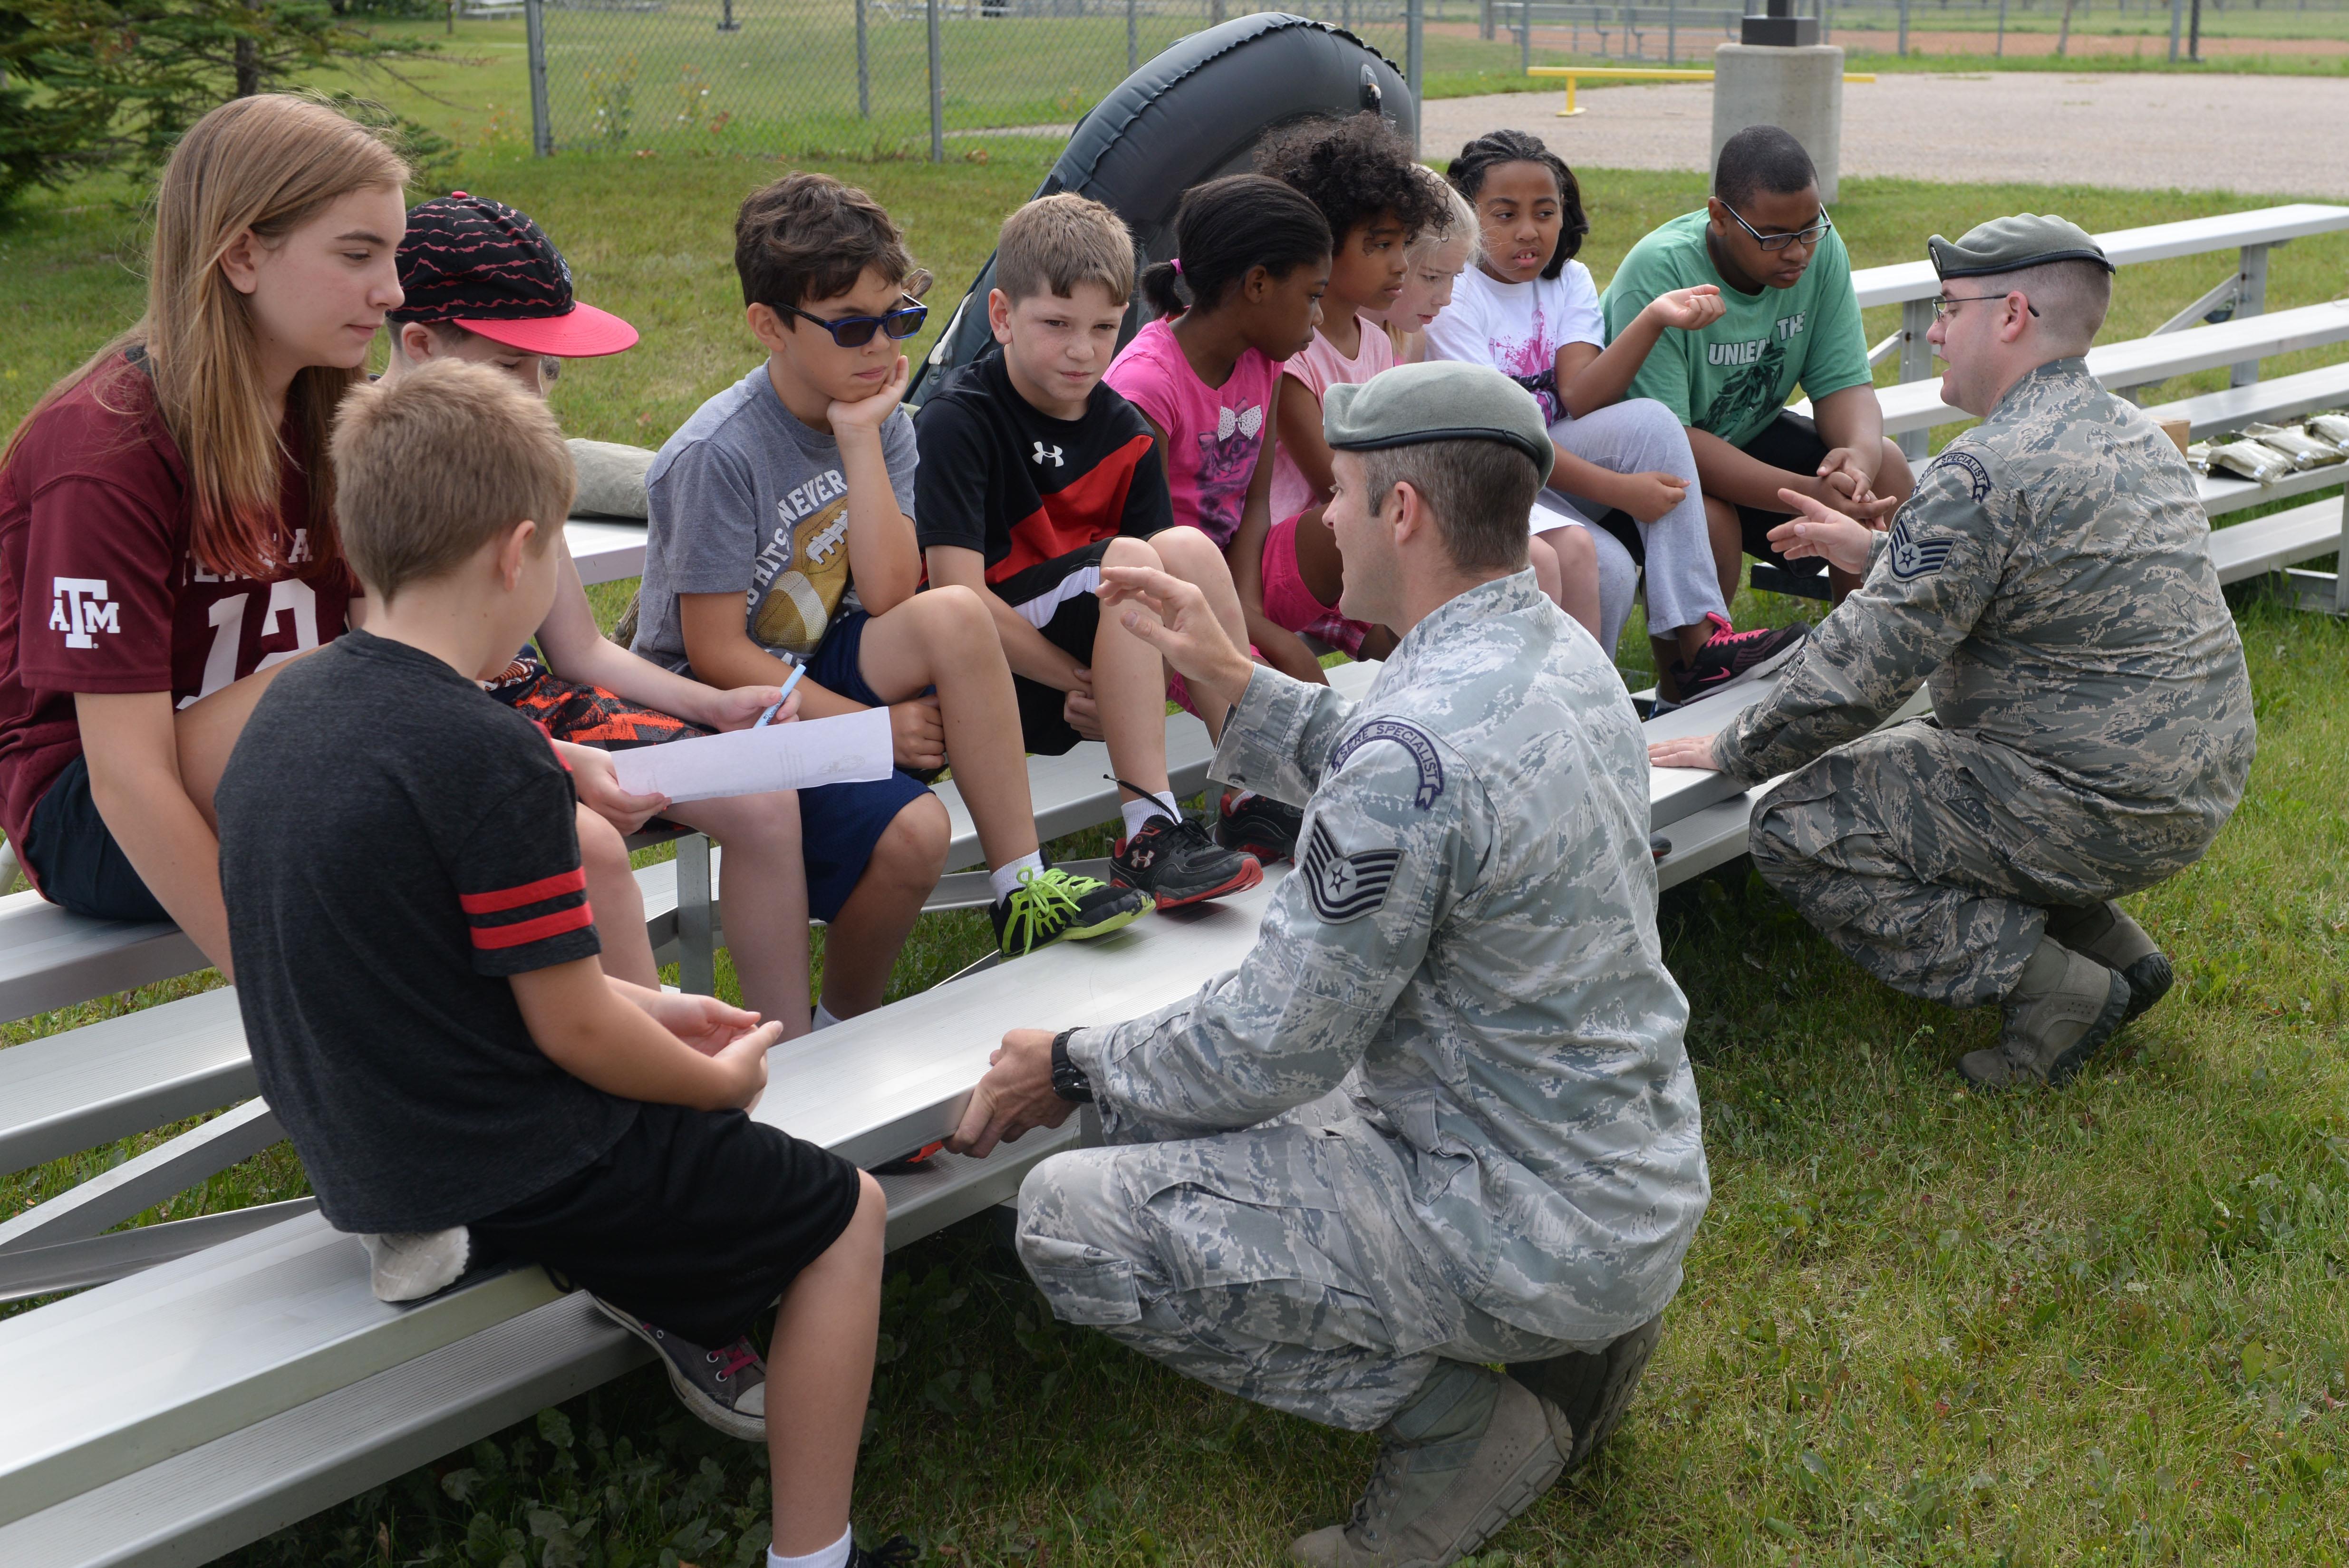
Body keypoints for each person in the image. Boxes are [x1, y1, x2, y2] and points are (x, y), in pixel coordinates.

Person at [951, 362, 1709, 1568]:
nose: (1320, 524)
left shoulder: (1415, 736)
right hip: (1617, 1175)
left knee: (1068, 1216)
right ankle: (1576, 1345)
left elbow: (1266, 1042)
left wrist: (1071, 1062)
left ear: (1399, 514)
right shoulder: (1554, 655)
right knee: (1190, 1102)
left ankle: (1466, 1428)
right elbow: (1391, 765)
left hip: (1508, 1207)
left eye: (1338, 494)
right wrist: (1219, 665)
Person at [219, 360, 905, 1568]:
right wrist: (721, 1082)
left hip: (362, 1133)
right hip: (493, 1152)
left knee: (658, 1089)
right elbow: (577, 1033)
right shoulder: (483, 752)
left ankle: (555, 1242)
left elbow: (484, 974)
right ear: (519, 553)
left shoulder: (288, 703)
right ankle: (816, 1556)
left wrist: (653, 1004)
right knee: (843, 1212)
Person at [1649, 216, 2256, 1091]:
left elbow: (1861, 668)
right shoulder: (2126, 430)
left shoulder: (1987, 468)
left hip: (2098, 800)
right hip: (2191, 781)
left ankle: (2057, 991)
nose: (1933, 331)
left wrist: (1735, 748)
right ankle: (2116, 952)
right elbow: (2024, 572)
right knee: (1969, 785)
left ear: (2011, 315)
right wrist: (1874, 553)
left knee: (1797, 825)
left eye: (1947, 308)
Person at [630, 172, 1147, 995]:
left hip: (816, 657)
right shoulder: (718, 455)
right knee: (916, 834)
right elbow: (714, 652)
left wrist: (862, 442)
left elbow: (893, 590)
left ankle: (1021, 887)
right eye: (852, 328)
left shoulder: (879, 417)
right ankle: (839, 1029)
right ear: (769, 326)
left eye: (898, 319)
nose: (880, 349)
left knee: (951, 614)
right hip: (713, 706)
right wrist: (870, 729)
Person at [383, 190, 812, 1028]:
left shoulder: (520, 449)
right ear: (422, 345)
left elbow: (578, 648)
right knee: (595, 849)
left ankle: (791, 1053)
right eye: (513, 370)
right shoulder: (361, 470)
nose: (538, 397)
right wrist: (558, 759)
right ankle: (665, 1090)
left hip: (533, 702)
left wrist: (710, 702)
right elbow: (391, 696)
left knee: (762, 795)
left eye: (548, 372)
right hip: (433, 734)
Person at [0, 95, 390, 966]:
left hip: (303, 757)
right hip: (101, 812)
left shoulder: (336, 406)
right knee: (368, 689)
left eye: (393, 254)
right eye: (358, 255)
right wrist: (273, 979)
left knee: (524, 824)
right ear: (243, 254)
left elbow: (403, 638)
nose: (391, 291)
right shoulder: (103, 446)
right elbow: (127, 778)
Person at [912, 193, 1262, 911]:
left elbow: (1167, 594)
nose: (1082, 349)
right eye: (1057, 324)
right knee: (1133, 560)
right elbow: (956, 594)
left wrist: (1117, 684)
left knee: (1187, 550)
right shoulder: (959, 419)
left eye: (1104, 328)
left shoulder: (1125, 429)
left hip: (1096, 669)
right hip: (1000, 678)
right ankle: (1148, 830)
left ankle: (1256, 789)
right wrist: (1084, 683)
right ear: (1003, 316)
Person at [1430, 128, 1808, 700]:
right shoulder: (1455, 295)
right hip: (1491, 475)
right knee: (1603, 565)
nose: (1528, 232)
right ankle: (1586, 709)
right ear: (1465, 218)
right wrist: (1621, 491)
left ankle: (1695, 644)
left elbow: (1580, 397)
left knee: (1651, 424)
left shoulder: (1569, 280)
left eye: (1545, 212)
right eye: (1503, 215)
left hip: (1549, 465)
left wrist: (1654, 318)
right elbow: (1506, 441)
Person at [1102, 173, 1332, 864]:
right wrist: (1267, 643)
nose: (1319, 318)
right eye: (1313, 295)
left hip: (1234, 578)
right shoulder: (1146, 386)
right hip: (1162, 600)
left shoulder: (1261, 359)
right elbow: (1146, 551)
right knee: (1276, 679)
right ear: (1258, 285)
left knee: (1373, 521)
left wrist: (1255, 615)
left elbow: (1254, 505)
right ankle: (1257, 804)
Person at [1600, 124, 1913, 606]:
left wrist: (1858, 462)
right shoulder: (1659, 272)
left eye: (1809, 229)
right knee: (1709, 518)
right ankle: (1696, 678)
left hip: (1740, 439)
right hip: (1636, 468)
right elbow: (1669, 440)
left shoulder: (1819, 248)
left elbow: (1844, 384)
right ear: (1719, 217)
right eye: (1773, 237)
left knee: (1886, 465)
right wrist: (1811, 492)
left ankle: (1867, 656)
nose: (1798, 252)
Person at [1257, 111, 1448, 661]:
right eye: (1380, 245)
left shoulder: (1377, 342)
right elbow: (1333, 483)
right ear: (1320, 242)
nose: (1400, 264)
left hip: (1357, 542)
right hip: (1295, 554)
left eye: (1404, 244)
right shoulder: (1292, 350)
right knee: (1397, 520)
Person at [1363, 167, 1477, 367]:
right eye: (1432, 277)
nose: (1446, 299)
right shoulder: (1315, 341)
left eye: (1455, 277)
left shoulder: (1411, 339)